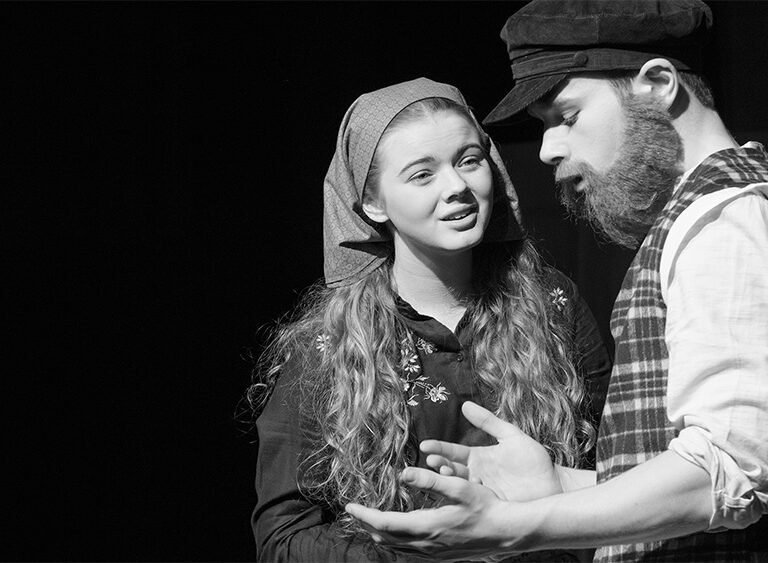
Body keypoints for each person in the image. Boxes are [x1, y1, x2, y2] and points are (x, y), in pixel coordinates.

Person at [346, 1, 768, 562]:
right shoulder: (701, 217)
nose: (547, 149)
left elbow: (730, 472)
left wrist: (511, 527)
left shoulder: (724, 220)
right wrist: (559, 484)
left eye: (566, 116)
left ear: (658, 85)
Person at [247, 77, 611, 562]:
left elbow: (624, 475)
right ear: (372, 203)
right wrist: (435, 552)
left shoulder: (552, 305)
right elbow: (283, 538)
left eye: (469, 161)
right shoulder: (327, 344)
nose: (457, 187)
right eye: (422, 174)